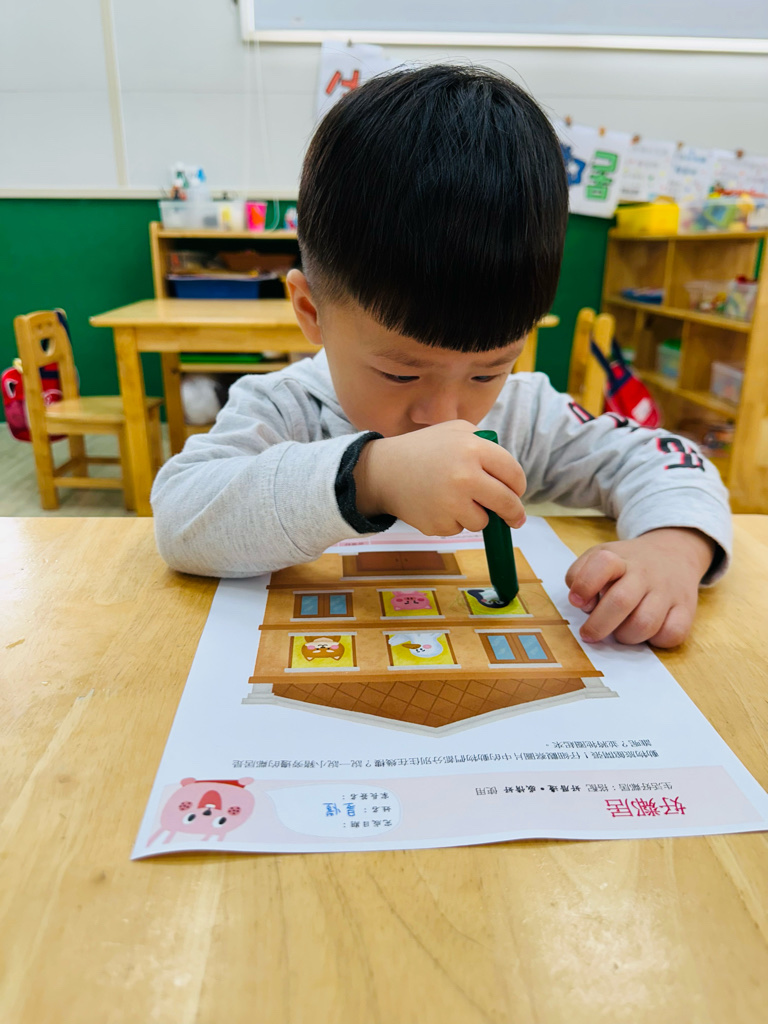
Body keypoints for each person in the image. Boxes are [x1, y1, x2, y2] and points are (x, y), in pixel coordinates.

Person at [151, 65, 731, 649]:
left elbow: (667, 458)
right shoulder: (284, 408)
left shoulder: (526, 416)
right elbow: (181, 519)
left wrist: (673, 546)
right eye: (400, 372)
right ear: (311, 311)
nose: (445, 415)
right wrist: (370, 477)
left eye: (489, 370)